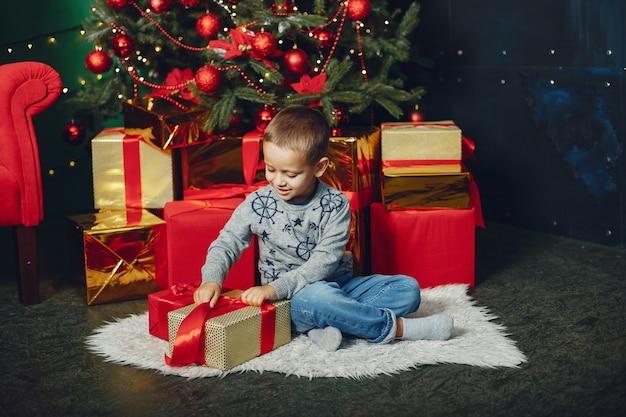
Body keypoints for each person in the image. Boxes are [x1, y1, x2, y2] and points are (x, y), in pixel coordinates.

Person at [194, 105, 454, 351]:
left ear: (319, 167)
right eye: (271, 169)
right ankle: (395, 328)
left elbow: (325, 262)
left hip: (336, 286)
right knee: (318, 297)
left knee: (407, 290)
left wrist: (281, 289)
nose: (278, 181)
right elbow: (226, 243)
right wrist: (211, 279)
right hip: (286, 300)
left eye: (291, 174)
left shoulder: (336, 204)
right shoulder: (258, 203)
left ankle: (327, 323)